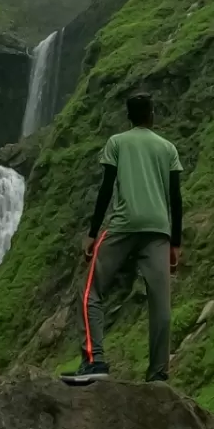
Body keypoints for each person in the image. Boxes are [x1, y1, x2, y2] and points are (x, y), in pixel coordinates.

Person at [63, 91, 183, 384]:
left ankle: (94, 362)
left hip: (124, 224)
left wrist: (92, 234)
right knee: (161, 304)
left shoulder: (117, 142)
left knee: (90, 291)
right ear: (152, 114)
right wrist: (176, 243)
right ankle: (158, 374)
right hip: (158, 229)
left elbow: (105, 190)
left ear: (129, 117)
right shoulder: (168, 148)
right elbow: (176, 198)